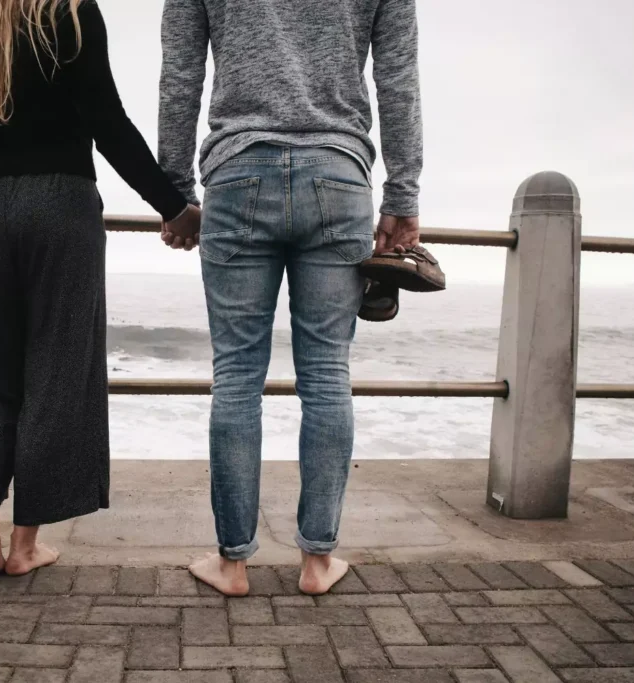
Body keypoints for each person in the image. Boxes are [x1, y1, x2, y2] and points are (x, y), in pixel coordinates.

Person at [0, 0, 201, 576]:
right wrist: (172, 206)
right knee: (57, 370)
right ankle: (24, 545)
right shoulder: (66, 11)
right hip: (62, 204)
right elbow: (106, 118)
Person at [158, 0, 423, 595]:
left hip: (235, 172)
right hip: (339, 173)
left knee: (236, 377)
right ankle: (316, 561)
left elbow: (180, 74)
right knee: (328, 375)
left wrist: (174, 192)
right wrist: (402, 196)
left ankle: (231, 564)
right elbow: (397, 78)